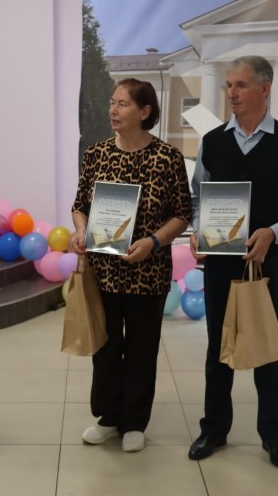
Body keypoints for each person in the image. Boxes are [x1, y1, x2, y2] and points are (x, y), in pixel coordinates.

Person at [187, 56, 278, 469]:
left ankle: (274, 436)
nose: (231, 93)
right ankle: (214, 429)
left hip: (271, 262)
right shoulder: (212, 142)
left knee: (269, 347)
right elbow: (198, 198)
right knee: (219, 347)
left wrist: (275, 232)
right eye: (228, 85)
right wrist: (197, 229)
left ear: (264, 89)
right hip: (221, 262)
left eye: (240, 85)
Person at [71, 78, 191, 453]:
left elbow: (182, 214)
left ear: (145, 111)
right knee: (105, 347)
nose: (113, 109)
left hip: (147, 271)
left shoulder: (167, 157)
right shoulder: (96, 154)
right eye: (112, 102)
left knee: (142, 348)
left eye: (122, 104)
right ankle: (109, 418)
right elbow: (80, 206)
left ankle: (135, 421)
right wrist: (80, 231)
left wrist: (153, 241)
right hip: (104, 271)